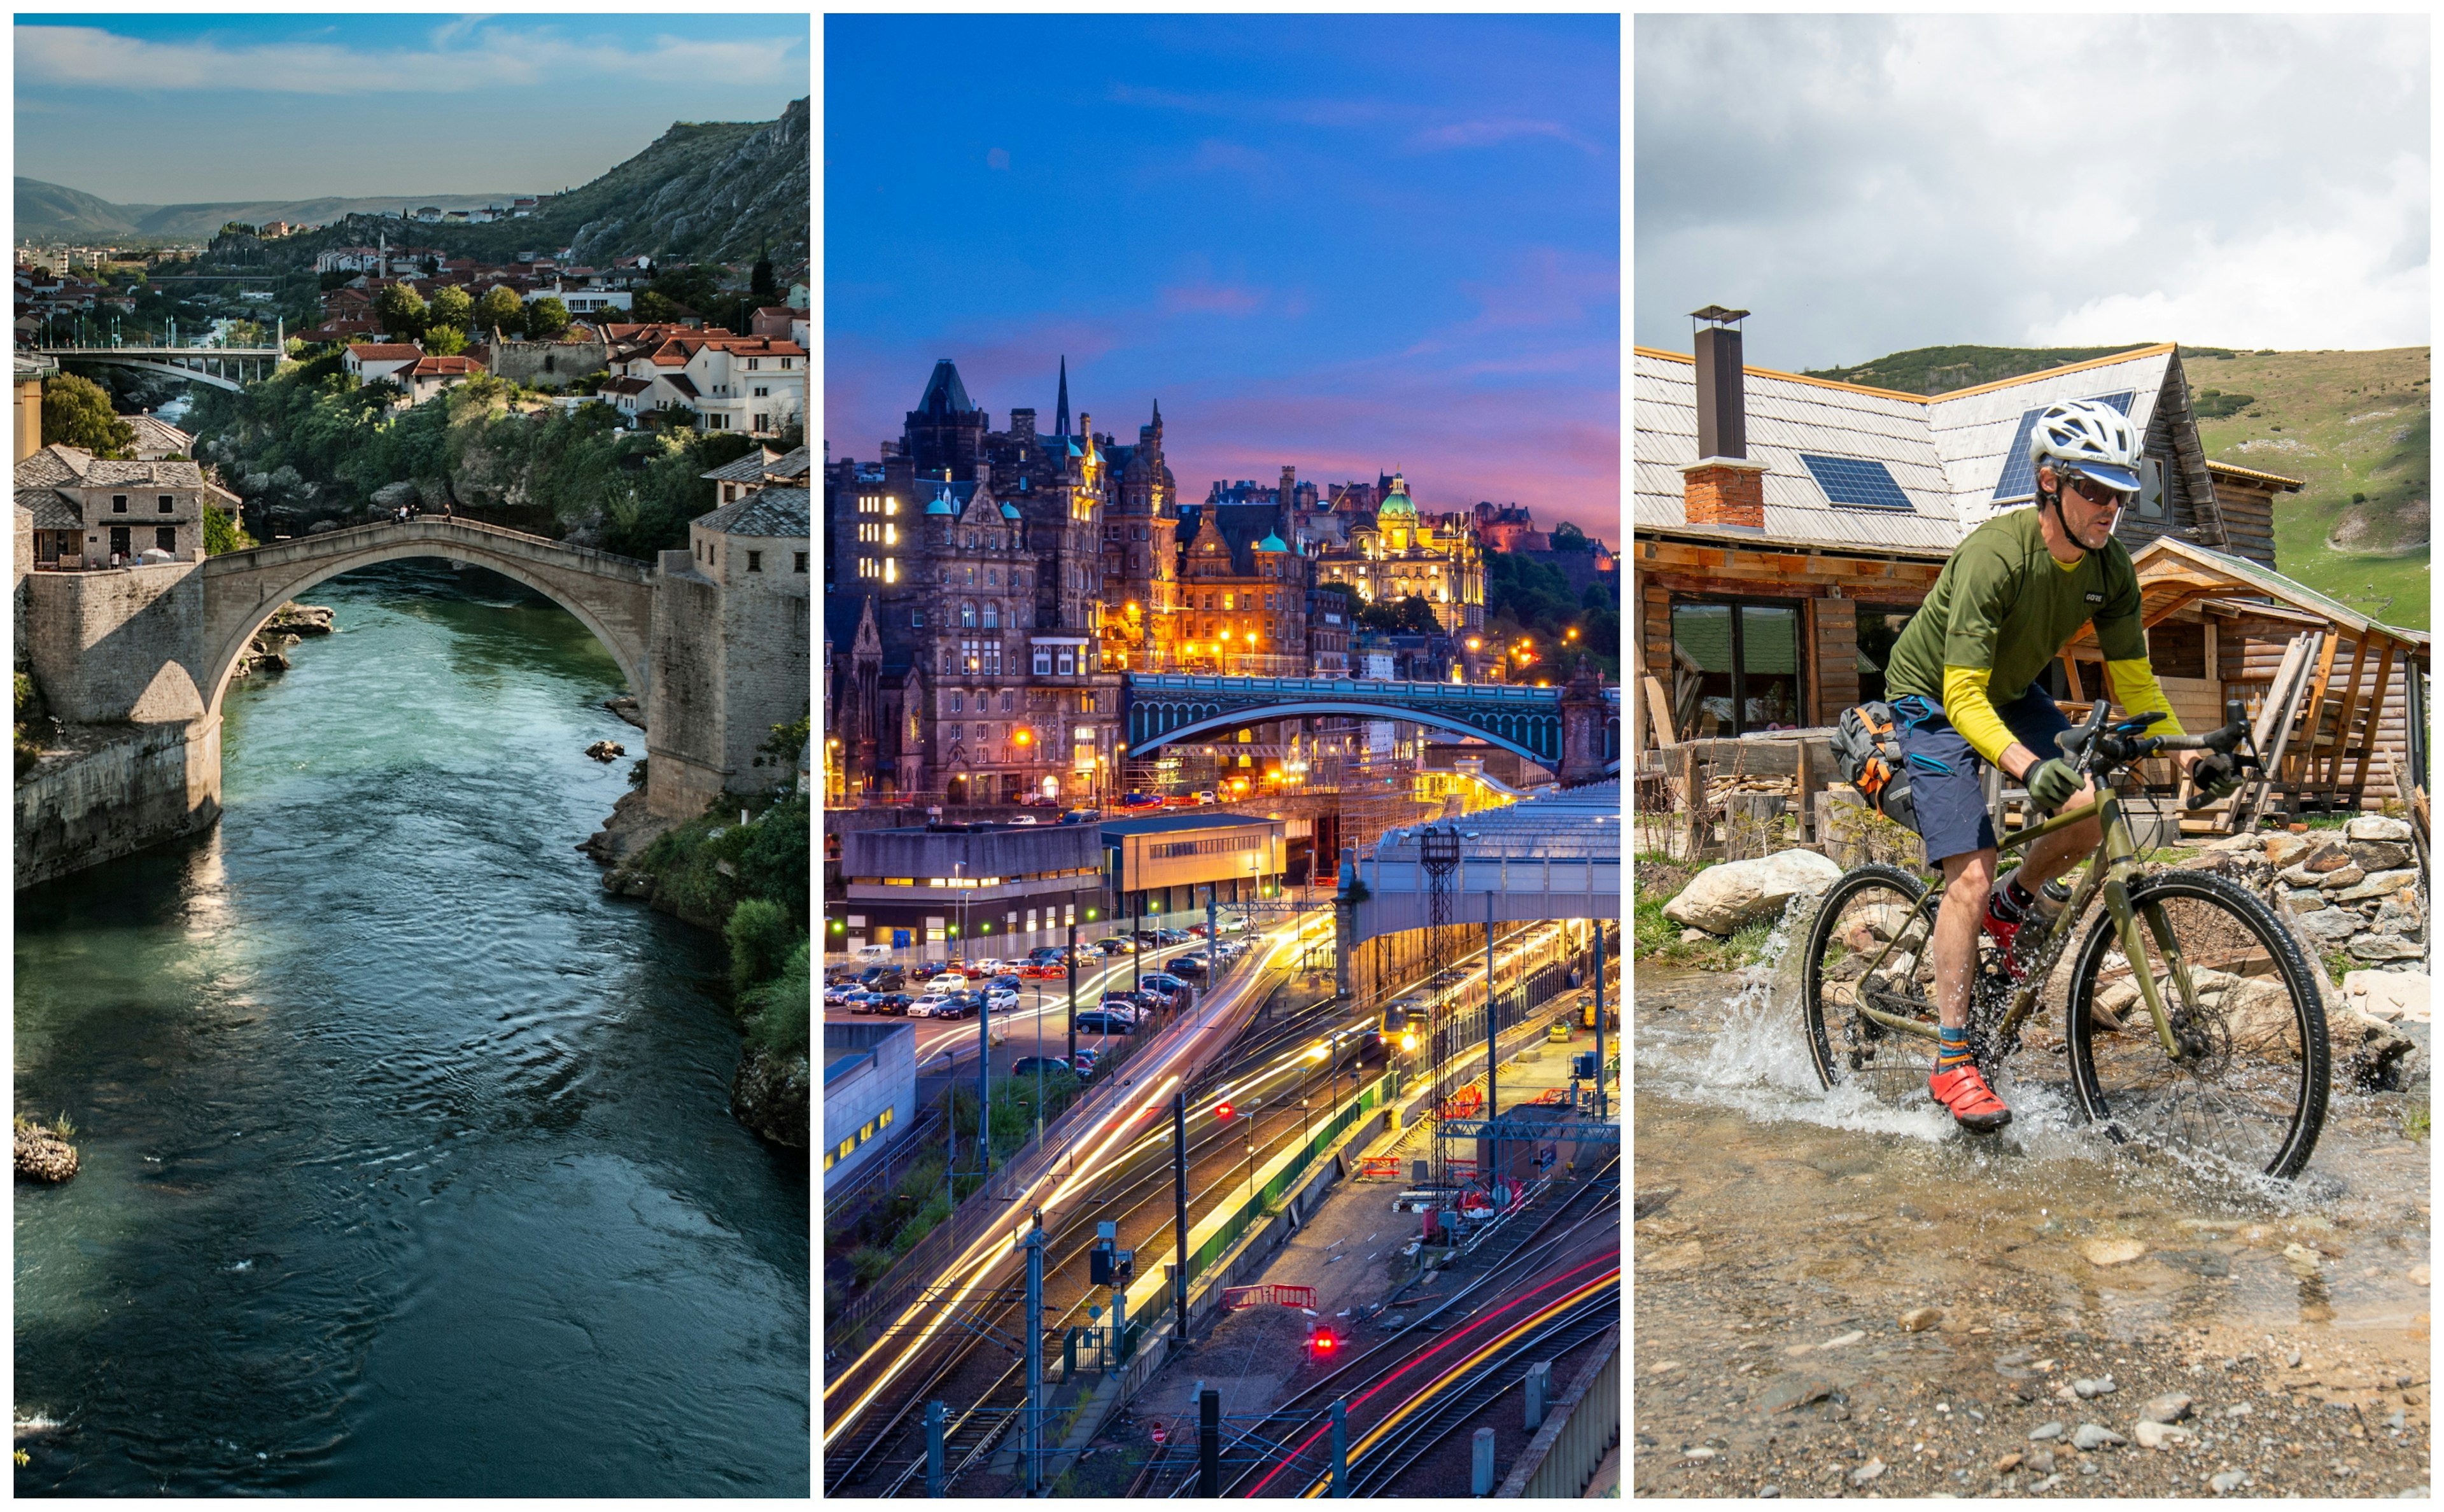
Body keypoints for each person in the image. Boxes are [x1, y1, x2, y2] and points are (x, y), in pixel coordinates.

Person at [1879, 398, 2241, 1133]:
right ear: (2051, 482)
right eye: (2094, 491)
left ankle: (2013, 906)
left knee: (2086, 808)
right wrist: (2020, 764)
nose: (2110, 509)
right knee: (1969, 871)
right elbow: (1960, 692)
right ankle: (1952, 1059)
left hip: (2009, 692)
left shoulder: (2111, 569)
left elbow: (2135, 682)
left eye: (2121, 495)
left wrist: (2192, 751)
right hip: (1932, 698)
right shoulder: (1996, 556)